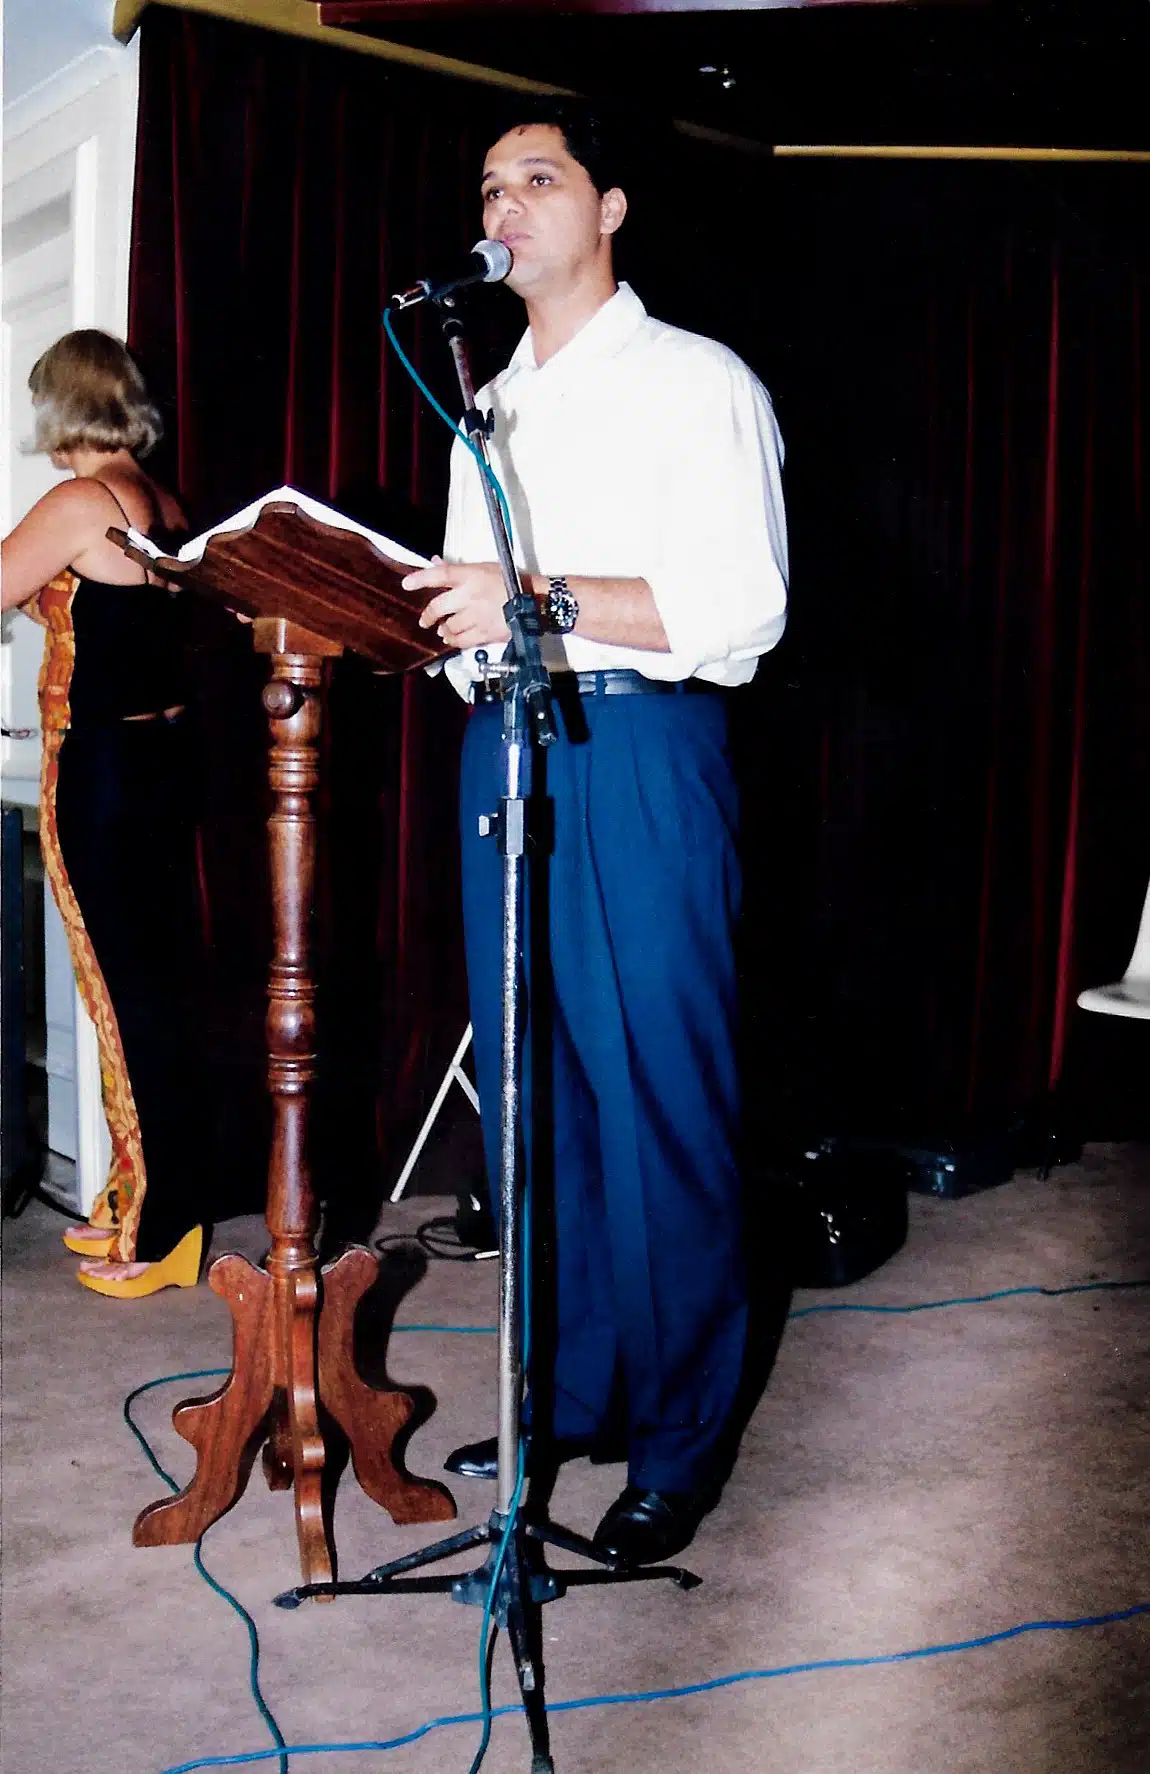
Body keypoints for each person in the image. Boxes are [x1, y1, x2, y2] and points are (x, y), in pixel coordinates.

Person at [401, 105, 788, 1564]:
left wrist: (532, 597)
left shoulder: (697, 381)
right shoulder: (487, 400)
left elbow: (740, 606)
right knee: (532, 1097)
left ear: (610, 207)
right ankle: (567, 1394)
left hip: (635, 746)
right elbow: (471, 599)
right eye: (487, 185)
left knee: (659, 1101)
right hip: (499, 746)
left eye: (538, 178)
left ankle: (679, 1440)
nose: (502, 206)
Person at [2, 329, 205, 1299]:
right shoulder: (160, 499)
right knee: (147, 987)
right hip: (160, 761)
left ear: (62, 406)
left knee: (127, 996)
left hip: (107, 770)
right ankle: (142, 1199)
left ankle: (166, 1228)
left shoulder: (80, 502)